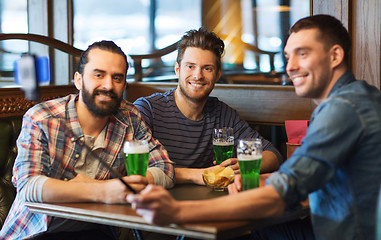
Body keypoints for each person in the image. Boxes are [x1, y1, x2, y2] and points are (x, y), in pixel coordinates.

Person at [127, 15, 381, 240]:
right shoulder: (362, 98)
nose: (290, 66)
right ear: (177, 70)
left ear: (335, 56)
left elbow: (281, 193)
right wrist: (255, 180)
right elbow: (295, 178)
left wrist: (179, 211)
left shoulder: (343, 110)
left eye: (302, 54)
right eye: (287, 56)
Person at [0, 40, 174, 240]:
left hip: (97, 231)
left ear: (124, 85)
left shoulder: (129, 116)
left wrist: (131, 184)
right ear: (79, 80)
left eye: (117, 78)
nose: (108, 85)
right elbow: (28, 186)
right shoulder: (42, 117)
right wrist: (101, 191)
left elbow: (165, 167)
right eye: (98, 75)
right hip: (37, 232)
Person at [134, 28, 283, 185]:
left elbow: (273, 155)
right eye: (190, 66)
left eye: (207, 68)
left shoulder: (224, 114)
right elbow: (135, 168)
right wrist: (197, 175)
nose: (198, 75)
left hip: (209, 203)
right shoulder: (148, 109)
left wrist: (245, 166)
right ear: (177, 69)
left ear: (217, 74)